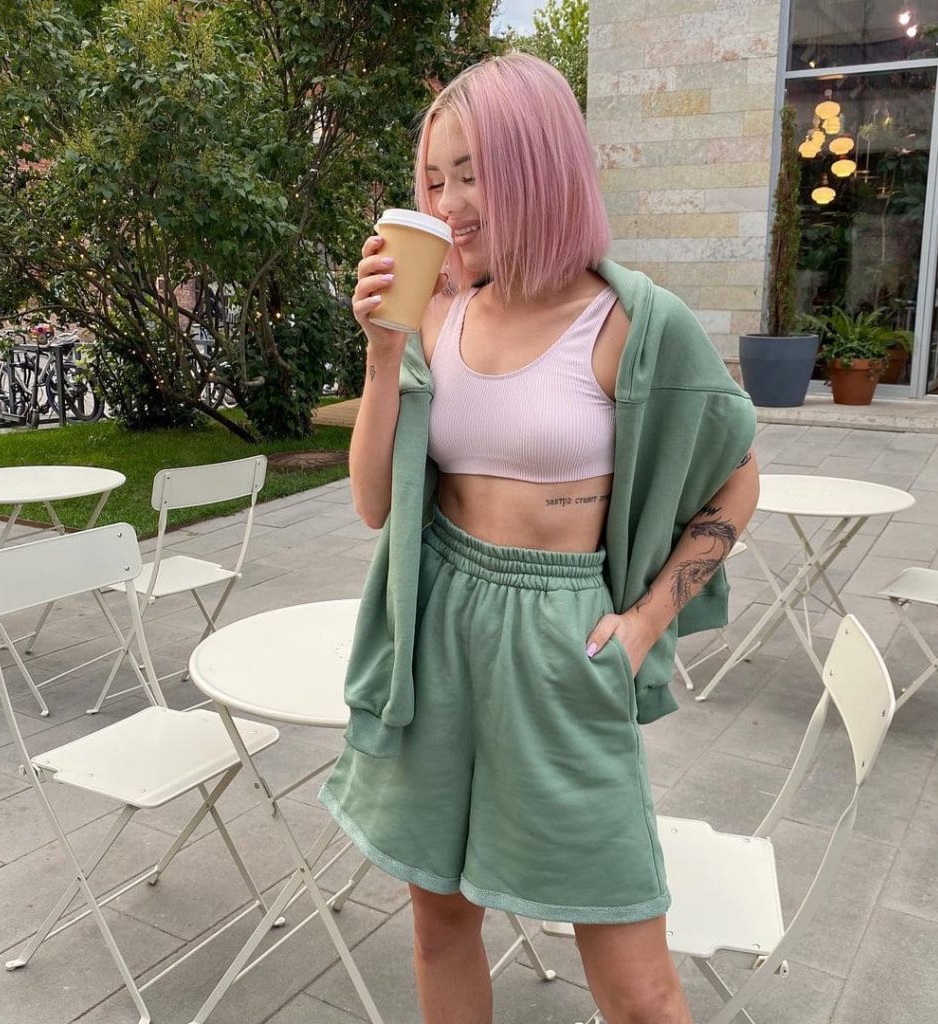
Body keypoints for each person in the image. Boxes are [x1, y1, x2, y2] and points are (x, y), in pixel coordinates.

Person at [320, 53, 759, 1024]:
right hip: (437, 626)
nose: (448, 204)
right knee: (439, 923)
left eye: (470, 174)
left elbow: (737, 473)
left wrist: (646, 623)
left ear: (538, 168)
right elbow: (373, 504)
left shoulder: (633, 323)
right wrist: (383, 354)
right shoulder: (436, 313)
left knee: (638, 983)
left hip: (561, 636)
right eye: (434, 180)